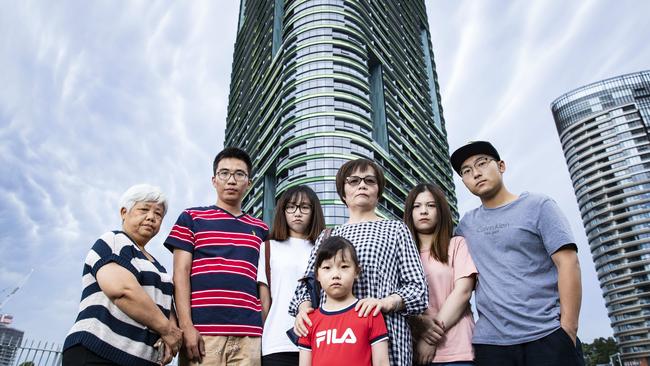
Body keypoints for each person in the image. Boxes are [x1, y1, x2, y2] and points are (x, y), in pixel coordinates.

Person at [449, 141, 584, 366]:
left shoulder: (538, 205)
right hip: (491, 345)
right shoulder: (466, 225)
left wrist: (568, 329)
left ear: (501, 166)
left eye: (482, 163)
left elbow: (568, 263)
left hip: (547, 335)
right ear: (464, 182)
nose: (476, 173)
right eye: (467, 171)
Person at [290, 158, 430, 365]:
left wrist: (384, 303)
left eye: (369, 181)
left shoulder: (396, 229)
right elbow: (307, 285)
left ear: (378, 191)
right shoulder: (328, 235)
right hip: (334, 341)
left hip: (387, 338)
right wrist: (303, 309)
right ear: (343, 192)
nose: (362, 185)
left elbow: (418, 290)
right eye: (354, 181)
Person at [164, 147, 269, 366]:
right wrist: (186, 326)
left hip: (250, 335)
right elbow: (180, 273)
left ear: (248, 183)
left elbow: (264, 283)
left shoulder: (261, 229)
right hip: (203, 334)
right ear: (214, 180)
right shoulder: (192, 217)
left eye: (239, 174)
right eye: (224, 173)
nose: (231, 180)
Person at [63, 184, 182, 366]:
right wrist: (167, 330)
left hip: (140, 358)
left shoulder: (158, 267)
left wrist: (172, 333)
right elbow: (122, 290)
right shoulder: (114, 241)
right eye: (144, 209)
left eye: (158, 214)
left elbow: (167, 307)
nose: (151, 217)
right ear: (124, 212)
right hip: (100, 352)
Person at [404, 183, 477, 366]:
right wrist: (420, 327)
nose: (423, 211)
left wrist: (430, 339)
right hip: (415, 352)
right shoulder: (402, 254)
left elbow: (463, 292)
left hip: (457, 350)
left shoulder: (457, 244)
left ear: (441, 210)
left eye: (431, 205)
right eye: (417, 206)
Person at [257, 185, 326, 366]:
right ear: (283, 211)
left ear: (314, 211)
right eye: (291, 207)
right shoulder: (268, 248)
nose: (297, 213)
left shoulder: (324, 248)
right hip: (276, 341)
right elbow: (264, 302)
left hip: (319, 339)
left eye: (304, 207)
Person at [297, 236, 390, 366]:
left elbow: (381, 362)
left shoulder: (369, 313)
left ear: (357, 271)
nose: (336, 274)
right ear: (317, 275)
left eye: (344, 266)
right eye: (327, 268)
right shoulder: (309, 321)